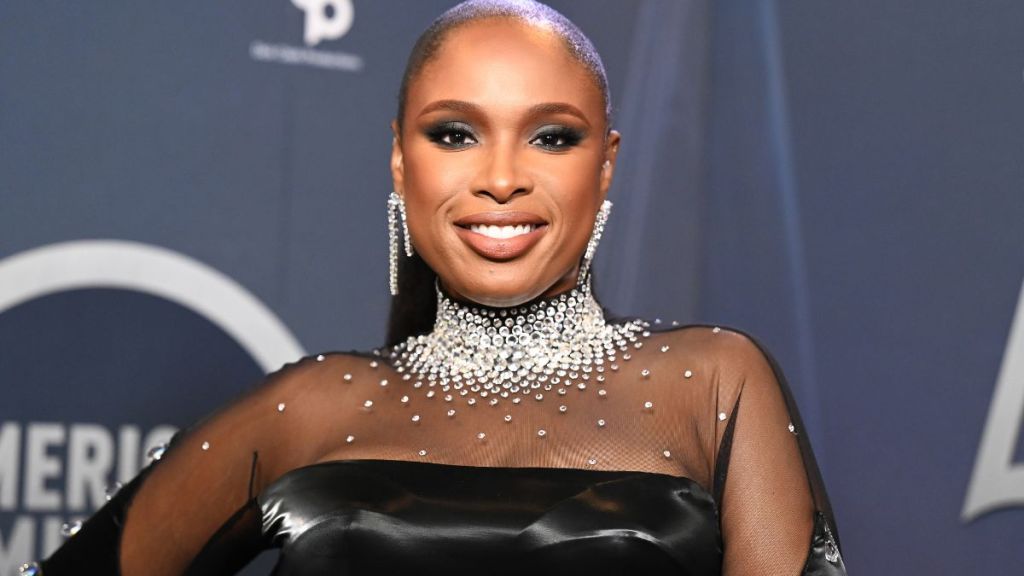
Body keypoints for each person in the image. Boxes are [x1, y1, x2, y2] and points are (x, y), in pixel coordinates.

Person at [28, 1, 847, 574]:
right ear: (399, 159)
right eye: (454, 133)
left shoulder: (712, 382)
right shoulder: (310, 408)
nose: (500, 178)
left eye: (551, 137)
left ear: (606, 166)